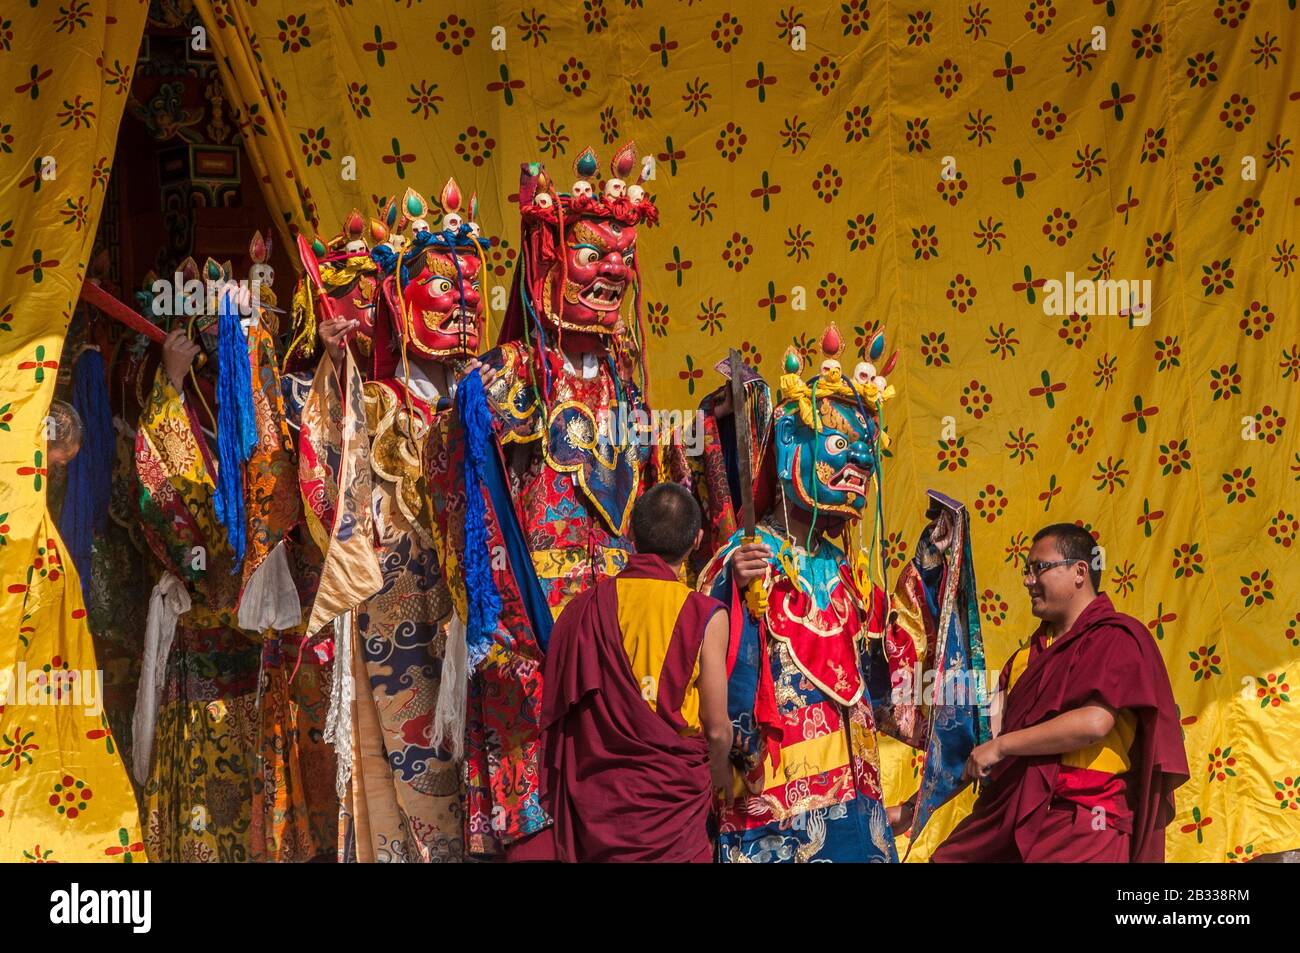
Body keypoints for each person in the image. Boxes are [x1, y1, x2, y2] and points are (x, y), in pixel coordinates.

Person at [696, 325, 986, 862]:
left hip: (855, 798)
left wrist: (929, 566)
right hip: (773, 804)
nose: (858, 465)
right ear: (789, 446)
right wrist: (732, 584)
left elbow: (889, 664)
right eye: (838, 446)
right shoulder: (747, 552)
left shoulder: (844, 570)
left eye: (866, 452)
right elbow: (703, 645)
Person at [931, 522, 1189, 862]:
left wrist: (1003, 745)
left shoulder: (1118, 637)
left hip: (1082, 823)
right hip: (1009, 816)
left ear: (1080, 571)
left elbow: (1094, 723)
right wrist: (911, 810)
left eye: (1039, 568)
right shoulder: (1025, 658)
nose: (1027, 580)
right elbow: (981, 742)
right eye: (1026, 570)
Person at [539, 483, 732, 862]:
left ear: (630, 534)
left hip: (598, 809)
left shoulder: (582, 610)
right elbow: (716, 728)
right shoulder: (704, 614)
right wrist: (721, 774)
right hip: (672, 812)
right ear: (697, 540)